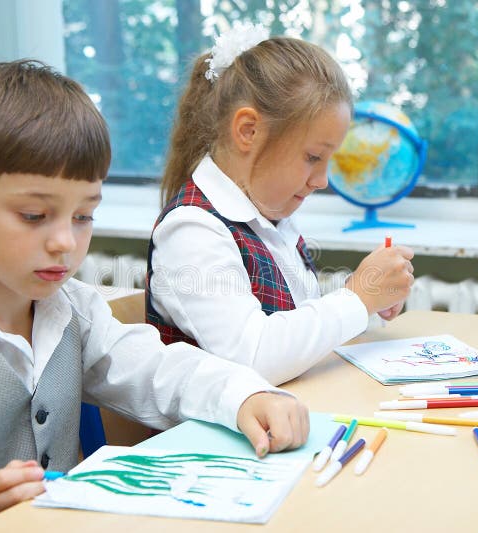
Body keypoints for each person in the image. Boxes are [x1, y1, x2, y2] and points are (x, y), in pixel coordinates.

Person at [0, 60, 308, 532]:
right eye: (33, 215)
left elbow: (156, 370)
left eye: (84, 216)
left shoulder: (72, 309)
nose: (65, 242)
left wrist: (243, 394)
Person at [146, 23, 415, 385]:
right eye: (313, 157)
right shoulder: (192, 231)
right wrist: (357, 300)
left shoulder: (269, 217)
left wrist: (369, 298)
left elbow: (296, 330)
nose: (322, 180)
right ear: (248, 130)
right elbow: (254, 355)